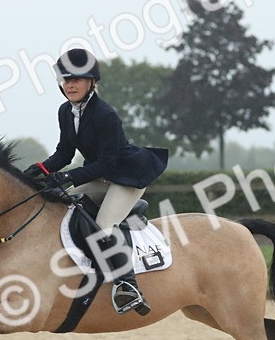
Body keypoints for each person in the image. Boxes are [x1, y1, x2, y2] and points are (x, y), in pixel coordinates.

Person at [24, 47, 168, 315]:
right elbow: (64, 153)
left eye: (76, 79)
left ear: (91, 82)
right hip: (101, 177)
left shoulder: (105, 114)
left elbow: (107, 164)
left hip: (126, 177)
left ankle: (128, 285)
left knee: (103, 224)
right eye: (66, 80)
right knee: (64, 205)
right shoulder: (66, 112)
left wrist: (66, 177)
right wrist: (39, 169)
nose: (70, 85)